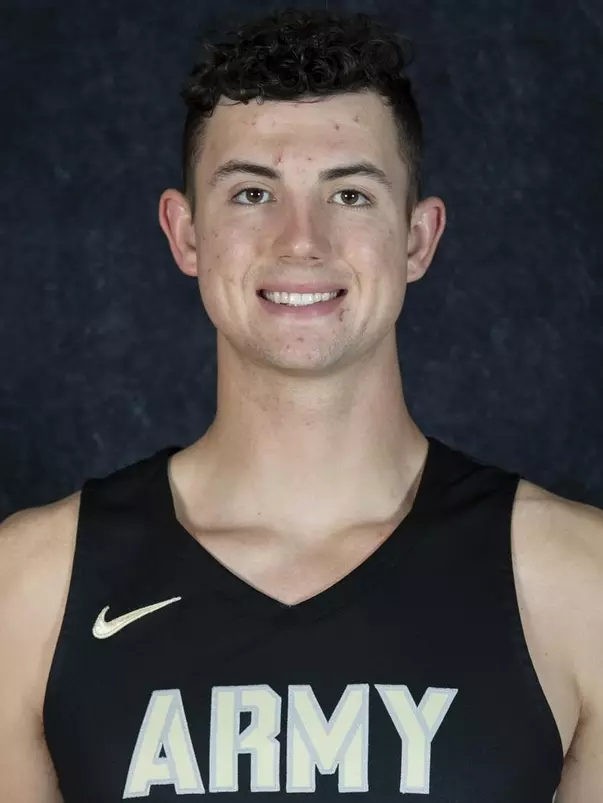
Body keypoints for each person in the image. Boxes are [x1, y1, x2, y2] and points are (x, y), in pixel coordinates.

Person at [1, 7, 601, 802]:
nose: (300, 241)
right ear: (185, 234)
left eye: (350, 195)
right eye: (252, 192)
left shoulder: (577, 584)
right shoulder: (30, 586)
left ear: (417, 238)